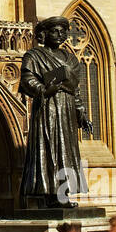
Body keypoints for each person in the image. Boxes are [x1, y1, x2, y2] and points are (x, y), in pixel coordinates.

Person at [19, 17, 95, 208]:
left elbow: (75, 90)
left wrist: (82, 114)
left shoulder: (70, 59)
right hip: (47, 108)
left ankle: (64, 193)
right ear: (44, 34)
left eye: (63, 31)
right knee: (48, 150)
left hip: (66, 108)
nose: (60, 35)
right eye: (55, 31)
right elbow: (27, 80)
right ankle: (49, 196)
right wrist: (44, 90)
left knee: (66, 150)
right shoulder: (34, 56)